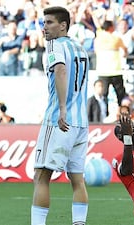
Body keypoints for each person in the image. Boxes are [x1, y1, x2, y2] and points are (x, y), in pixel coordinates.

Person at [31, 6, 90, 225]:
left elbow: (61, 70)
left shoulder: (54, 45)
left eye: (49, 22)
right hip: (81, 122)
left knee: (41, 175)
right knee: (77, 178)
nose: (44, 27)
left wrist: (62, 108)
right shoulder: (81, 48)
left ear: (63, 25)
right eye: (43, 22)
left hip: (59, 119)